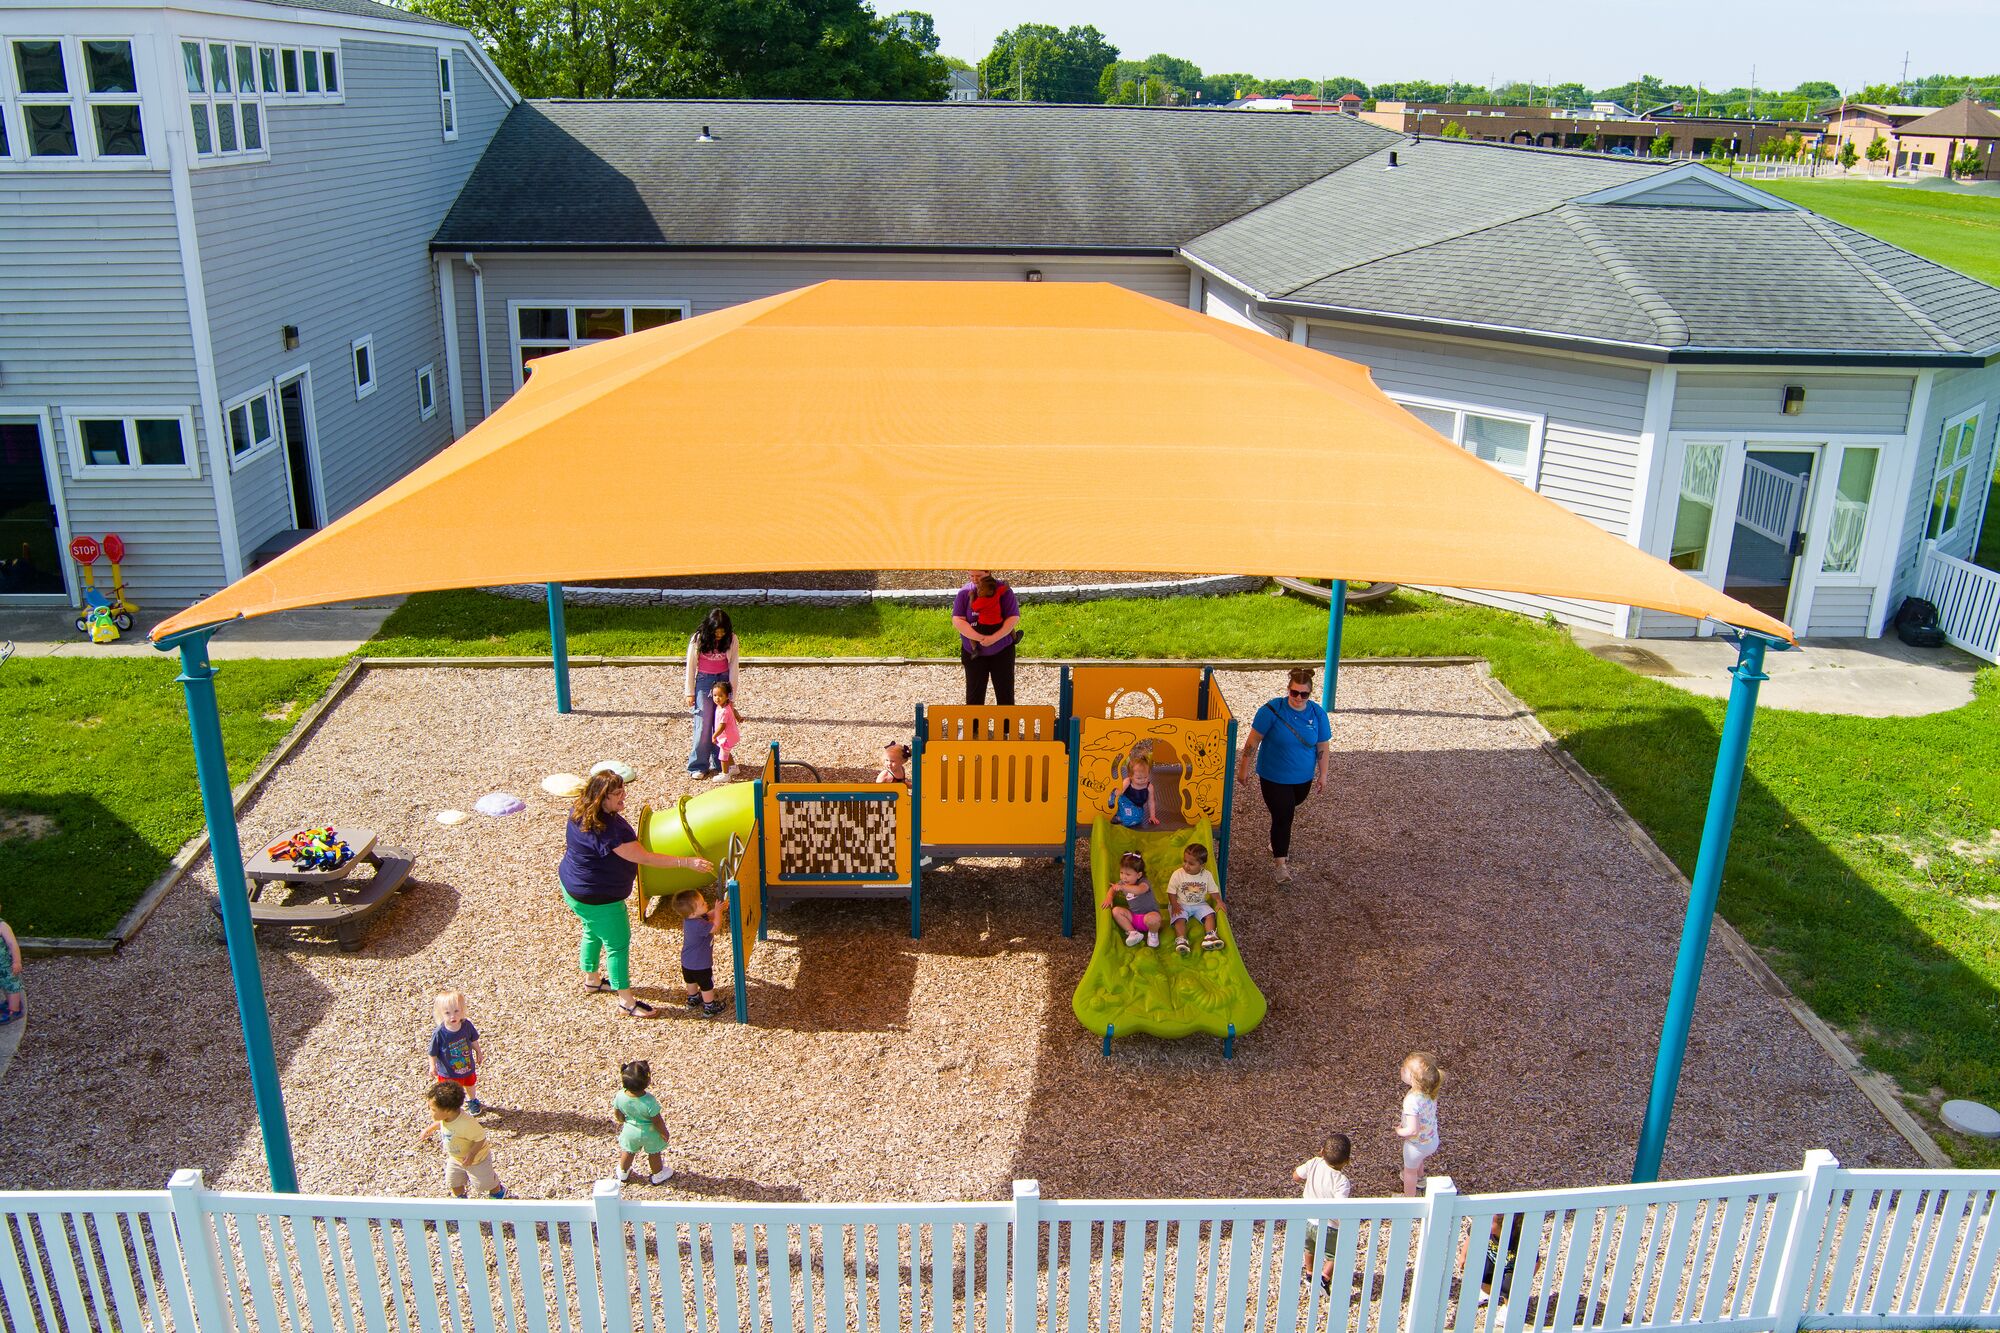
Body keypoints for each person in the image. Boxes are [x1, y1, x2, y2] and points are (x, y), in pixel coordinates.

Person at [559, 771, 713, 1020]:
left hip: (573, 887)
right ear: (601, 797)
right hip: (600, 898)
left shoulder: (580, 809)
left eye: (622, 790)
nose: (624, 796)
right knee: (617, 946)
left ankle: (591, 980)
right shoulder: (609, 831)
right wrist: (687, 862)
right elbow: (644, 857)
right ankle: (626, 1002)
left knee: (591, 930)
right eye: (617, 793)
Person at [1235, 667, 1332, 885]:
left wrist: (1323, 774)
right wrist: (1244, 767)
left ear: (1310, 694)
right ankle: (1280, 865)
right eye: (1294, 693)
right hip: (1273, 776)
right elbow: (1253, 742)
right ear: (1287, 690)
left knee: (1289, 807)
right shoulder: (1271, 710)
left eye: (1303, 694)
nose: (1298, 698)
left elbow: (1322, 746)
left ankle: (1277, 839)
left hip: (1302, 779)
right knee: (1284, 816)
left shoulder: (1317, 714)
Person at [418, 1081, 506, 1198]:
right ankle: (460, 1199)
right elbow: (442, 1123)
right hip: (456, 1158)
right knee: (453, 1181)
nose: (429, 1111)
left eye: (433, 1109)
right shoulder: (447, 1118)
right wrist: (430, 1128)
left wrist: (472, 1154)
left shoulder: (466, 1123)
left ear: (447, 1111)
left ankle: (498, 1191)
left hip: (477, 1160)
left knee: (484, 1183)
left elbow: (480, 1138)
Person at [1294, 1132, 1353, 1293]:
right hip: (1329, 1226)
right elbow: (1339, 1207)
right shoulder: (1341, 1182)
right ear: (1347, 1161)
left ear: (1321, 1151)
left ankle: (1309, 1273)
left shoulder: (1314, 1163)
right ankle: (1324, 1277)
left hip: (1308, 1220)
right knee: (1336, 1253)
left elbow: (1296, 1176)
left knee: (1309, 1248)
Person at [950, 570, 1020, 706]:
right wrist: (978, 637)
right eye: (971, 576)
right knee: (974, 694)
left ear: (988, 572)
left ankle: (1006, 727)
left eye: (979, 576)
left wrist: (994, 638)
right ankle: (974, 727)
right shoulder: (965, 592)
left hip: (1002, 650)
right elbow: (958, 619)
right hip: (973, 652)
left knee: (1005, 692)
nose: (975, 580)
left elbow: (1013, 617)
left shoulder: (1002, 591)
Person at [685, 609, 740, 778]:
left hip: (722, 681)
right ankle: (698, 765)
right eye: (717, 632)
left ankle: (719, 761)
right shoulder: (698, 639)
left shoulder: (732, 639)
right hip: (704, 680)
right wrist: (689, 692)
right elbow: (691, 664)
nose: (720, 635)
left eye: (723, 632)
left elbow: (733, 667)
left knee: (721, 722)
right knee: (702, 723)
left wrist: (732, 695)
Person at [612, 1059, 673, 1184]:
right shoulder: (649, 1101)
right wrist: (664, 1132)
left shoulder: (620, 1096)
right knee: (654, 1153)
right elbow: (657, 1121)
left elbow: (618, 1113)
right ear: (648, 1081)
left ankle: (623, 1172)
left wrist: (621, 1119)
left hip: (630, 1132)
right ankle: (658, 1175)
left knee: (628, 1152)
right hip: (650, 1133)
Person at [428, 990, 485, 1115]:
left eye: (456, 1011)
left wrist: (479, 1052)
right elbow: (432, 1052)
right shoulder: (440, 1033)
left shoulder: (466, 1026)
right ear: (441, 1014)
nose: (452, 1016)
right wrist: (432, 1066)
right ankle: (453, 1109)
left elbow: (473, 1040)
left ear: (462, 1010)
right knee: (450, 1092)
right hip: (448, 1072)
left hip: (466, 1066)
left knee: (470, 1084)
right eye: (447, 1013)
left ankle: (472, 1101)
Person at [1395, 1051, 1443, 1195]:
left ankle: (1409, 1198)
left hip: (1415, 1145)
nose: (1401, 1070)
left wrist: (1400, 1131)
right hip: (1431, 1139)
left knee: (1409, 1172)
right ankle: (1421, 1179)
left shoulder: (1412, 1101)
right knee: (1419, 1160)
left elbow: (1413, 1130)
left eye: (1404, 1070)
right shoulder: (1429, 1091)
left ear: (1413, 1079)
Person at [675, 889, 728, 1017]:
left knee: (691, 981)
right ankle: (709, 1006)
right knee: (706, 985)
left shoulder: (690, 919)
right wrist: (719, 912)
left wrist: (717, 910)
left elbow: (708, 915)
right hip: (700, 964)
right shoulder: (699, 925)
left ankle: (693, 999)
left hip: (687, 961)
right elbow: (716, 926)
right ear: (693, 912)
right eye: (702, 903)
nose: (706, 903)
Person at [1167, 843, 1224, 955]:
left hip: (1199, 903)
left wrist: (1219, 901)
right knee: (1179, 918)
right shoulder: (1178, 874)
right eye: (1185, 861)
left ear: (1202, 865)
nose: (1186, 865)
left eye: (1191, 863)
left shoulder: (1207, 875)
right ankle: (1181, 940)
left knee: (1210, 915)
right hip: (1180, 903)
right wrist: (1174, 905)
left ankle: (1210, 936)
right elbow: (1171, 892)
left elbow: (1213, 891)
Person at [1104, 850, 1161, 948]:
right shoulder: (1123, 883)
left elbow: (1139, 890)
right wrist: (1109, 897)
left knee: (1155, 918)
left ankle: (1153, 935)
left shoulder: (1144, 883)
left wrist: (1122, 887)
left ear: (1138, 875)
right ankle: (1133, 933)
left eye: (1128, 874)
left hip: (1148, 918)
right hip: (1133, 918)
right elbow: (1112, 889)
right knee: (1116, 911)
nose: (1124, 877)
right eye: (1121, 873)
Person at [1111, 755, 1160, 829]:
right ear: (1130, 776)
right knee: (1116, 805)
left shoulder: (1149, 787)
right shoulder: (1128, 781)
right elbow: (1119, 793)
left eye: (1146, 777)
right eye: (1139, 778)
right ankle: (1117, 815)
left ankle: (1120, 816)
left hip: (1137, 807)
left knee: (1137, 819)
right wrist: (1113, 795)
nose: (1143, 780)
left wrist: (1152, 816)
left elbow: (1151, 802)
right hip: (1124, 801)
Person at [709, 681, 741, 777]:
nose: (717, 698)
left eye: (720, 695)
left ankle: (725, 774)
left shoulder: (723, 711)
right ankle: (734, 768)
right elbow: (734, 710)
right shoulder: (726, 705)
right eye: (715, 695)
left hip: (726, 737)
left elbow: (722, 726)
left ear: (727, 696)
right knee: (727, 751)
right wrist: (738, 717)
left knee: (723, 756)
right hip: (731, 735)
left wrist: (714, 736)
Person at [0, 916, 21, 1025]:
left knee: (11, 985)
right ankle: (9, 1002)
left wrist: (16, 962)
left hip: (5, 965)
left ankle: (14, 1010)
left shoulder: (2, 925)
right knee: (4, 985)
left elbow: (13, 944)